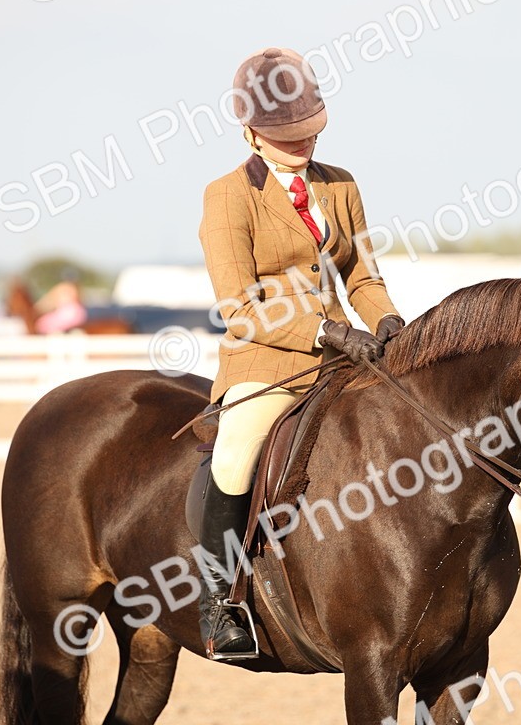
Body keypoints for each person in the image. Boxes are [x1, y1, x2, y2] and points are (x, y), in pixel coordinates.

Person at [195, 47, 405, 659]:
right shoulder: (227, 196)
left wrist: (388, 320)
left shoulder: (339, 186)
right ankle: (219, 603)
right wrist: (323, 332)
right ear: (251, 132)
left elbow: (361, 274)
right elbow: (238, 307)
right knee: (234, 455)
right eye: (288, 136)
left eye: (309, 130)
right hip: (267, 360)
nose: (303, 144)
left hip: (345, 356)